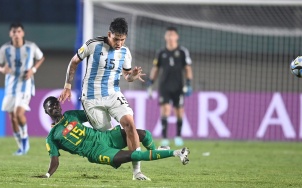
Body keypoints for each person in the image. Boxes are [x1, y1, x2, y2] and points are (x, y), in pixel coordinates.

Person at [58, 18, 149, 180]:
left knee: (129, 123)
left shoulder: (125, 52)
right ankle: (115, 152)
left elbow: (127, 76)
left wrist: (132, 76)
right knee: (107, 138)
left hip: (113, 94)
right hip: (91, 98)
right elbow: (73, 62)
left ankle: (137, 171)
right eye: (116, 39)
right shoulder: (93, 44)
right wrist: (67, 86)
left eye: (122, 39)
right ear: (109, 34)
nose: (119, 43)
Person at [36, 96, 189, 179]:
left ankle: (157, 150)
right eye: (51, 106)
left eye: (56, 104)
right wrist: (48, 174)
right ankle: (176, 153)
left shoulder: (71, 115)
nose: (55, 107)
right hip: (96, 152)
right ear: (46, 111)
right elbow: (55, 159)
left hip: (105, 137)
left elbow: (93, 115)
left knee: (143, 134)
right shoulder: (52, 137)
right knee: (135, 154)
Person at [0, 23, 45, 155]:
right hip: (10, 86)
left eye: (18, 31)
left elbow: (41, 57)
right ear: (10, 34)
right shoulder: (5, 49)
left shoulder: (31, 47)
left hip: (25, 85)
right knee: (12, 117)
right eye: (14, 32)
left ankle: (25, 139)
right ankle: (21, 146)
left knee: (18, 113)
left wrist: (33, 69)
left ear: (23, 33)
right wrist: (2, 69)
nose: (16, 34)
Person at [147, 27, 193, 147]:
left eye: (172, 35)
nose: (170, 37)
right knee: (165, 110)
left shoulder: (183, 51)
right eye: (168, 35)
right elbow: (156, 69)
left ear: (176, 37)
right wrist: (150, 82)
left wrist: (188, 83)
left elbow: (188, 68)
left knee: (179, 111)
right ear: (165, 37)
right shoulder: (161, 53)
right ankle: (165, 138)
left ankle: (178, 136)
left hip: (179, 86)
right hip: (164, 86)